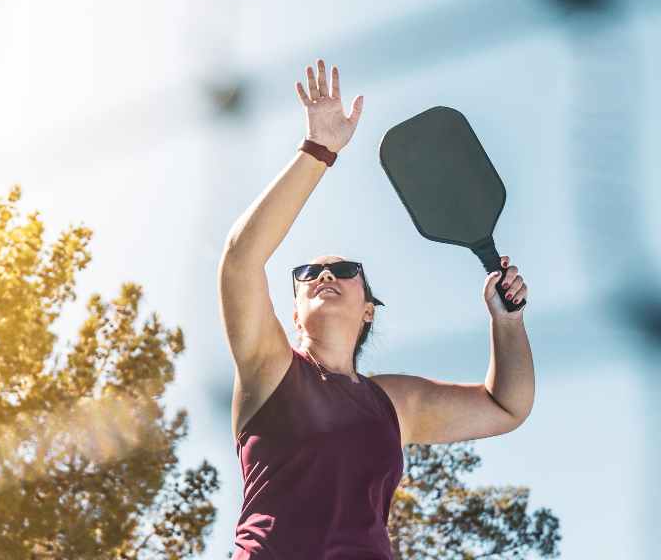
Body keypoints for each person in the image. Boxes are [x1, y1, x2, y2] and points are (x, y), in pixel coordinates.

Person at [218, 59, 536, 559]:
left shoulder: (395, 404)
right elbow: (240, 260)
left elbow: (507, 407)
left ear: (369, 310)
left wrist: (507, 321)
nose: (326, 275)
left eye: (345, 270)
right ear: (294, 314)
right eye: (307, 274)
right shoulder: (270, 370)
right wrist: (318, 150)